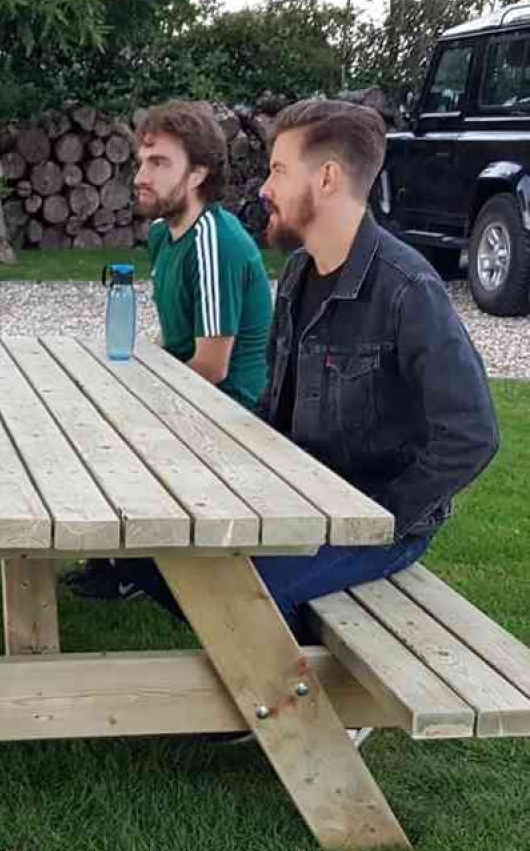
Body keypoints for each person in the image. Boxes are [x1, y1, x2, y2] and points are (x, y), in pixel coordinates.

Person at [105, 98, 500, 653]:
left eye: (280, 170)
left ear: (329, 178)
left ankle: (307, 696)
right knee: (161, 551)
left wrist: (383, 513)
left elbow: (474, 434)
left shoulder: (407, 290)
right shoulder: (298, 273)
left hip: (376, 522)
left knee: (233, 591)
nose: (265, 187)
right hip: (303, 494)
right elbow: (276, 408)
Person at [64, 99, 273, 600]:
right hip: (196, 390)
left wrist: (142, 400)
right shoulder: (163, 234)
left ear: (199, 173)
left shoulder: (214, 242)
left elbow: (213, 366)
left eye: (159, 164)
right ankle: (113, 556)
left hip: (233, 410)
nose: (142, 174)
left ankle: (135, 568)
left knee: (110, 425)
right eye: (142, 161)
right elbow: (173, 341)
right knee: (83, 405)